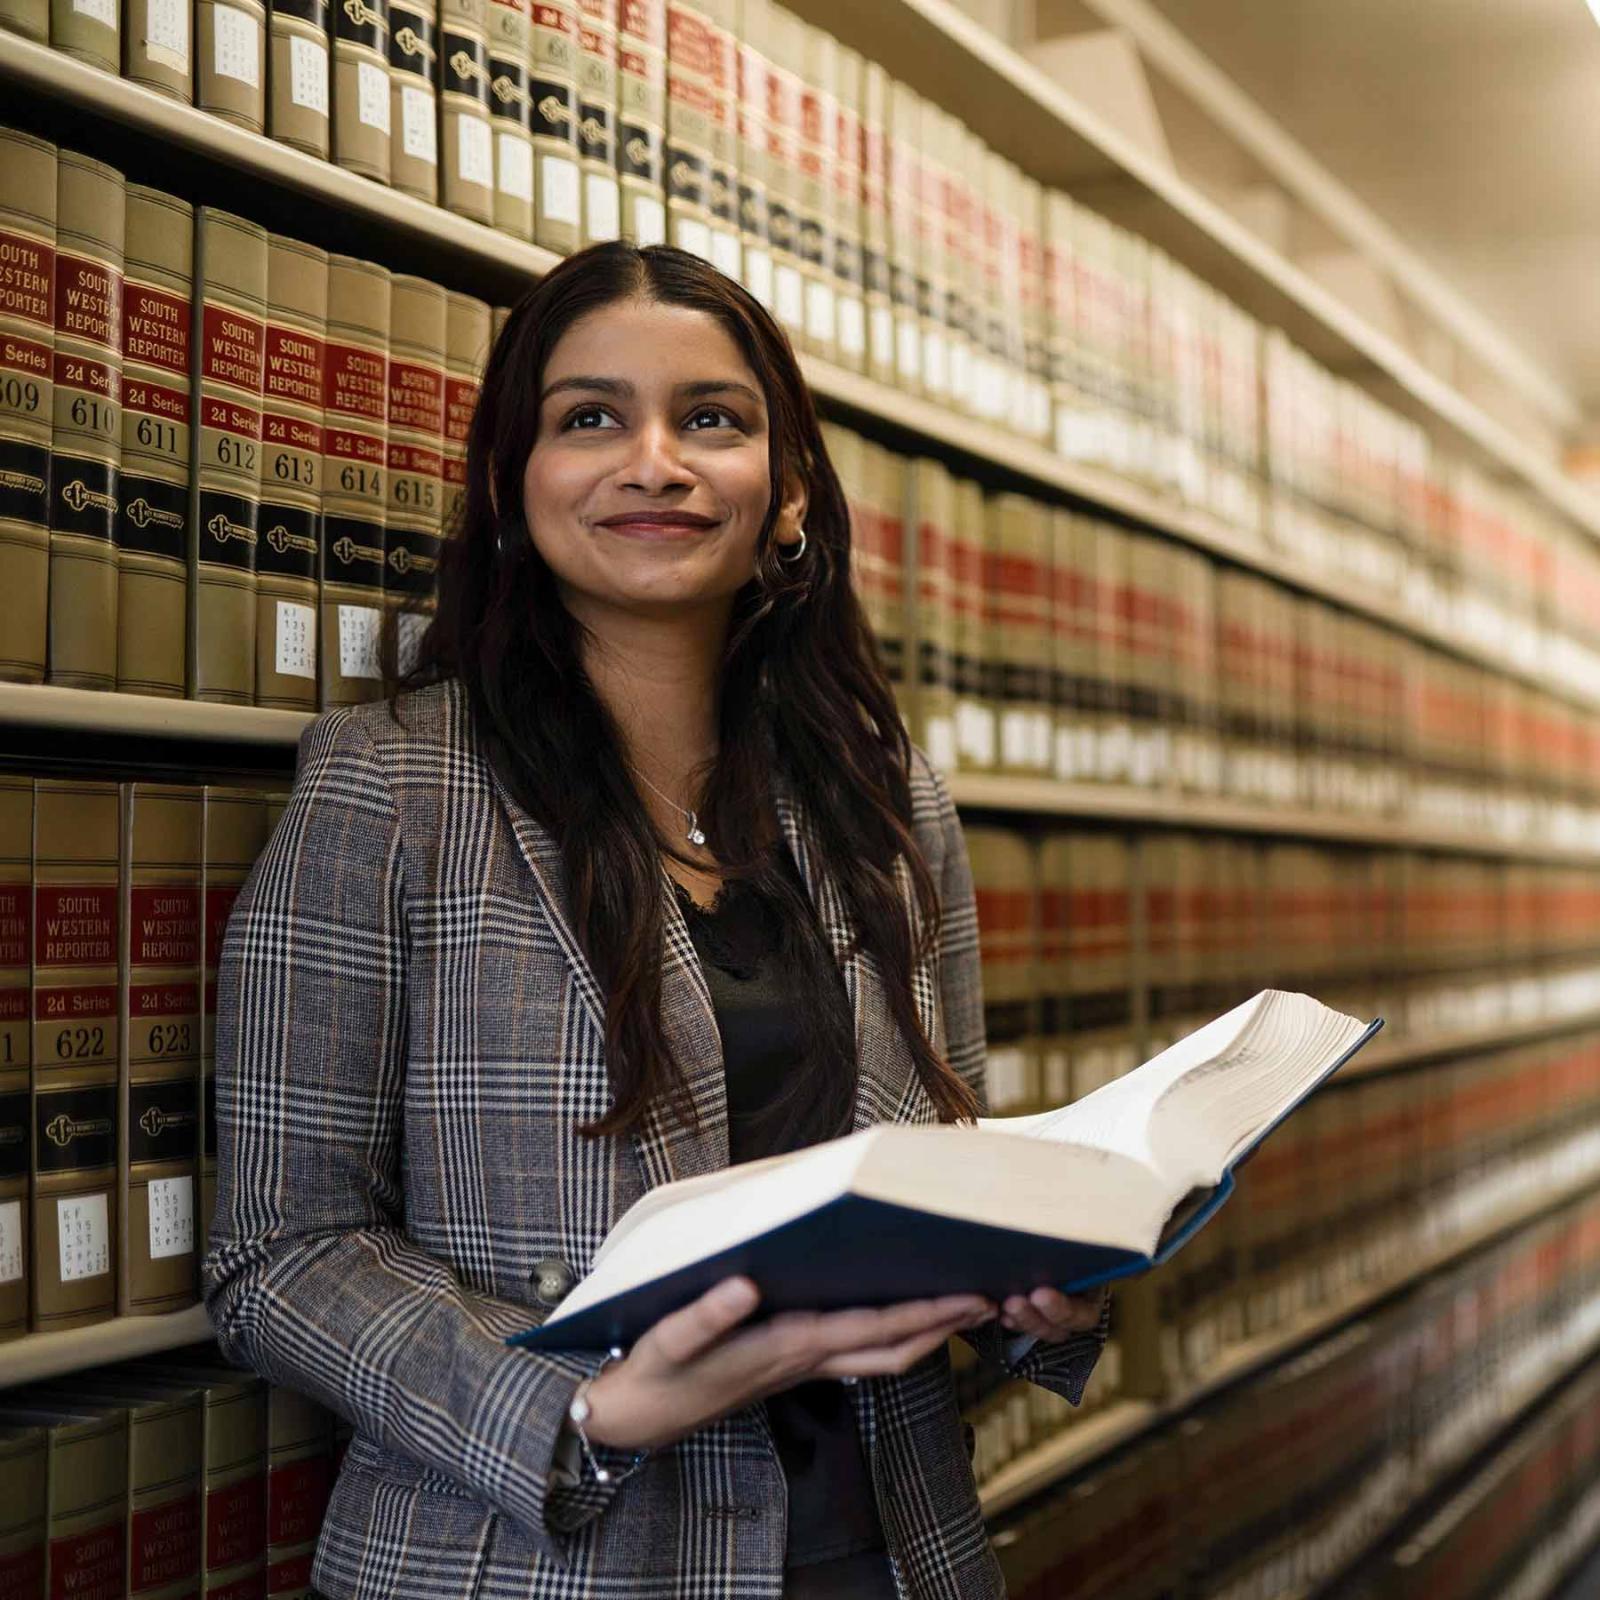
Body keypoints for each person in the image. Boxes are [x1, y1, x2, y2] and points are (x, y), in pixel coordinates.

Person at [202, 240, 1111, 1600]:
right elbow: (279, 1254)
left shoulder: (885, 802)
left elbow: (948, 1151)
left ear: (786, 490)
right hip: (546, 1561)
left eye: (712, 420)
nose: (655, 463)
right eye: (590, 419)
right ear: (510, 484)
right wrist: (589, 1409)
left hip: (888, 1550)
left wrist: (1042, 1294)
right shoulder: (390, 787)